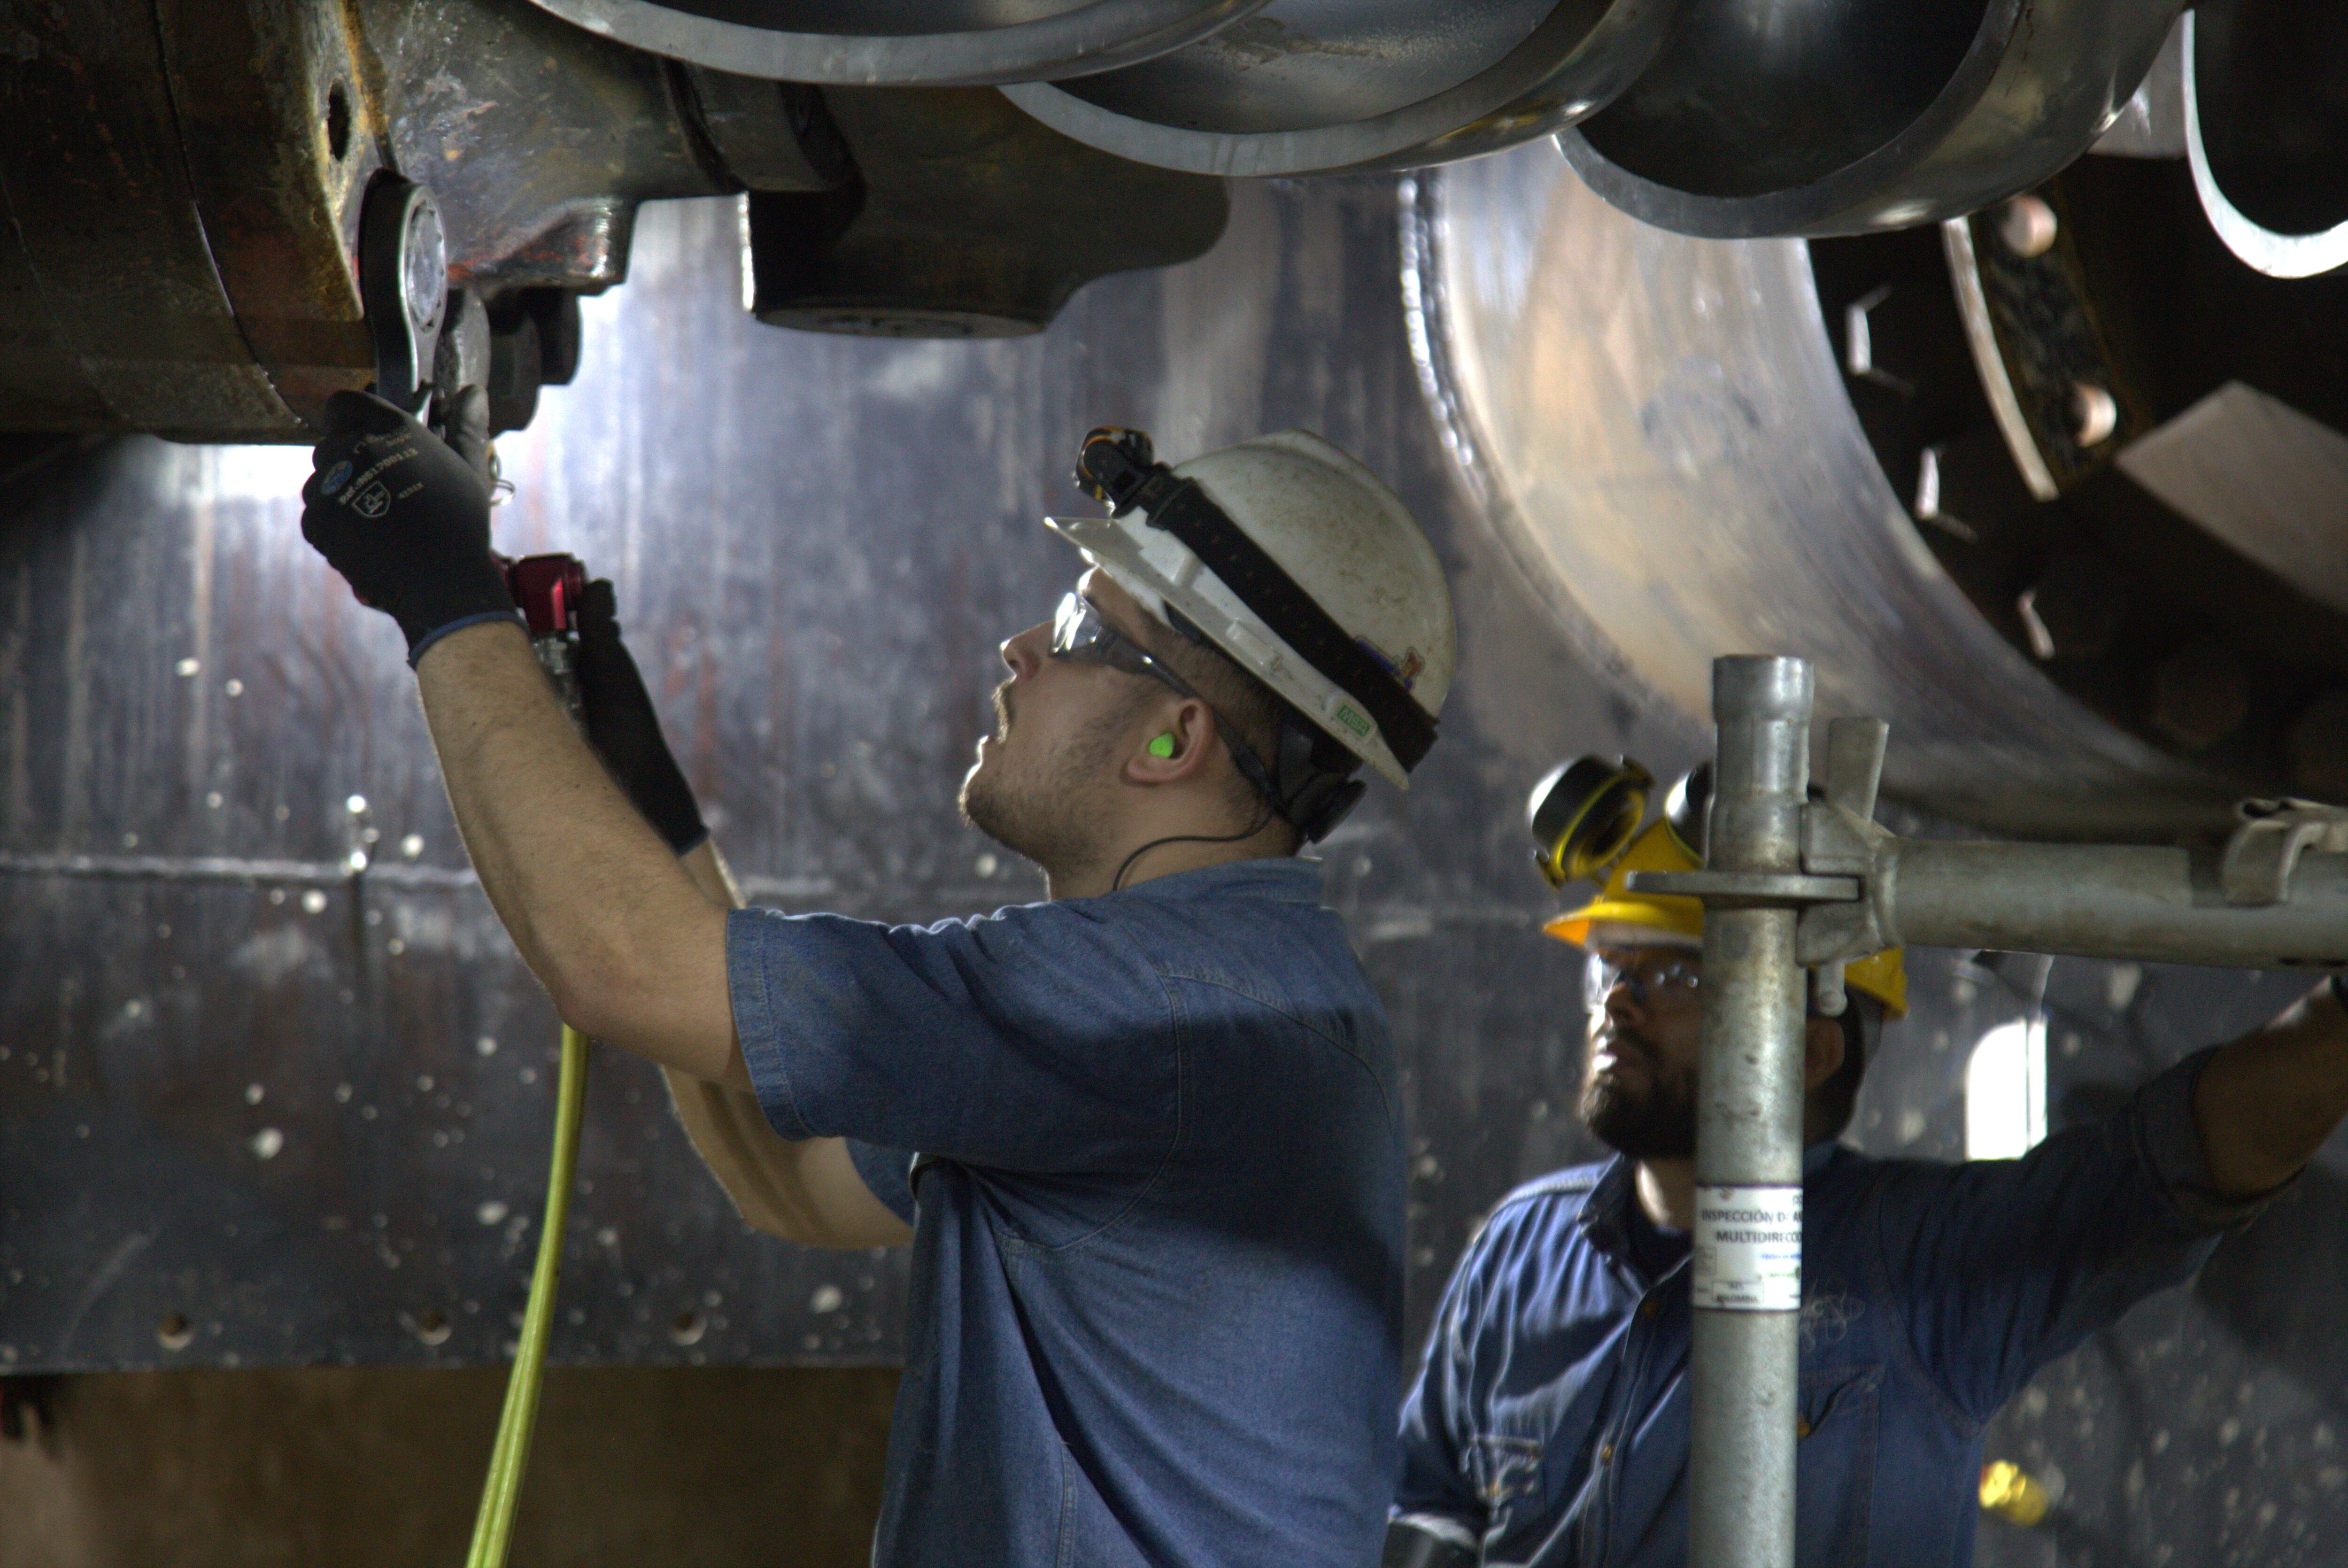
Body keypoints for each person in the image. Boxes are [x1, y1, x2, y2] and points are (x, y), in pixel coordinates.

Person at [298, 396, 1456, 1568]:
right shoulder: (1223, 1004)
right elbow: (790, 1182)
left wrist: (443, 598)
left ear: (1174, 739)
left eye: (1073, 626)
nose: (1022, 650)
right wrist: (648, 807)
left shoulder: (1158, 1004)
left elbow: (622, 967)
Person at [1385, 761, 2348, 1568]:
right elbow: (1429, 1512)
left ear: (1808, 1050)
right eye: (1609, 965)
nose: (1617, 1003)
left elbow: (2172, 1162)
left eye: (1675, 972)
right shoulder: (1521, 1251)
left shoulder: (1918, 1261)